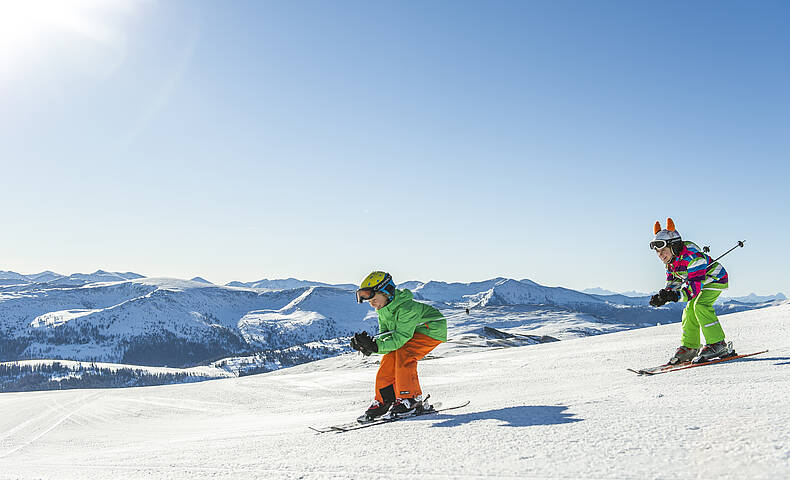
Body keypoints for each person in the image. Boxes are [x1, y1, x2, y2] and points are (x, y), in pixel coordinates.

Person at [350, 271, 447, 421]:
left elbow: (401, 338)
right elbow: (388, 338)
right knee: (389, 357)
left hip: (431, 330)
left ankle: (411, 399)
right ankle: (385, 400)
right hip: (412, 332)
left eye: (374, 299)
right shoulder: (383, 310)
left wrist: (375, 347)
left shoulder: (406, 308)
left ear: (386, 292)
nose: (372, 303)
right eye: (369, 301)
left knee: (405, 352)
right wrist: (371, 346)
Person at [648, 218, 733, 364]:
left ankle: (718, 344)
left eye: (663, 250)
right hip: (700, 283)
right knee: (689, 311)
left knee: (700, 305)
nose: (660, 255)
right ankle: (690, 347)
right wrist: (665, 295)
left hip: (715, 279)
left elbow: (693, 289)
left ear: (674, 247)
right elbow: (674, 281)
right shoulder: (671, 262)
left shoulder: (693, 258)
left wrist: (674, 296)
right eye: (658, 252)